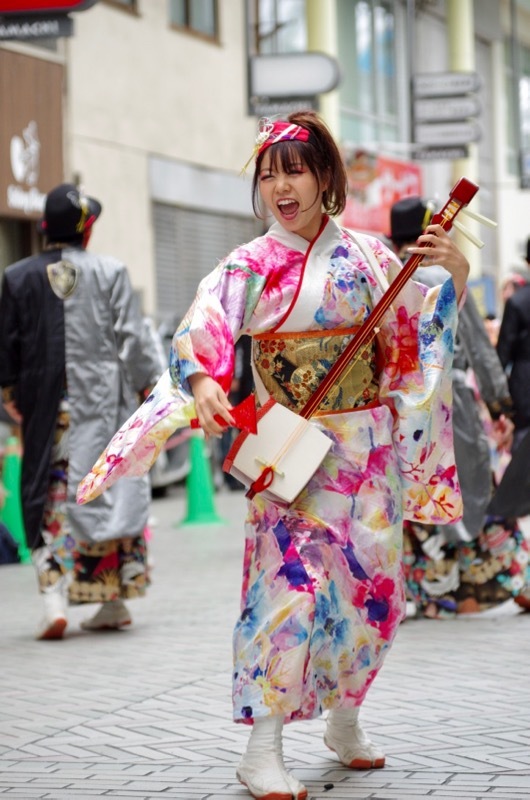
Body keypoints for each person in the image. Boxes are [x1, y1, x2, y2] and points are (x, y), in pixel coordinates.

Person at [78, 112, 469, 800]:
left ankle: (345, 719)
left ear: (326, 177)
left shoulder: (374, 257)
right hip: (288, 450)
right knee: (287, 592)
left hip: (365, 453)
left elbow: (420, 327)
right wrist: (202, 381)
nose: (281, 187)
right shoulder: (248, 265)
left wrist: (456, 270)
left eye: (294, 170)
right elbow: (203, 329)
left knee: (368, 594)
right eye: (268, 174)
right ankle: (263, 747)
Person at [0, 183, 165, 640]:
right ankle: (111, 598)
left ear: (43, 228)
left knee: (52, 498)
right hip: (104, 407)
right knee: (107, 491)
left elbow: (7, 347)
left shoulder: (17, 277)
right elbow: (132, 339)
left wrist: (11, 393)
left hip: (46, 409)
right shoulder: (111, 271)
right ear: (87, 230)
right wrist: (148, 388)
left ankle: (54, 598)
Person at [390, 196, 530, 618]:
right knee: (475, 493)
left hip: (398, 408)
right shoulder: (442, 273)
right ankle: (511, 581)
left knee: (414, 500)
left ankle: (432, 593)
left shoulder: (383, 272)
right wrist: (500, 403)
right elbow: (475, 346)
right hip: (450, 408)